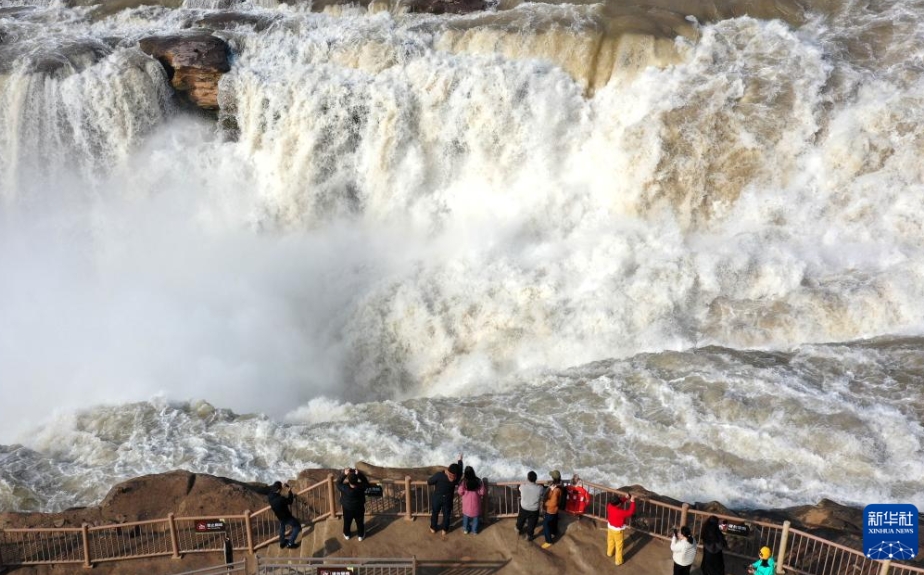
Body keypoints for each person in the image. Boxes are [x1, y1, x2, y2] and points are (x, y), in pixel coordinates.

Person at [428, 453, 463, 536]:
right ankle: (444, 530)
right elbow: (460, 470)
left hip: (437, 498)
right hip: (448, 499)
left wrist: (443, 472)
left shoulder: (439, 475)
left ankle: (433, 528)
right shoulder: (456, 479)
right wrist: (460, 460)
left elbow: (429, 482)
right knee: (447, 515)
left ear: (448, 469)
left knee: (435, 513)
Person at [337, 467, 370, 541]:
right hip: (359, 508)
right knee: (360, 522)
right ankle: (360, 536)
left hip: (347, 509)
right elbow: (366, 483)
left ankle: (347, 534)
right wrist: (359, 474)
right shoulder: (361, 487)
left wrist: (344, 474)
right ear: (357, 479)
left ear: (348, 480)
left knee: (347, 522)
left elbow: (338, 483)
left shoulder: (344, 487)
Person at [267, 481, 301, 548]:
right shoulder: (280, 499)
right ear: (279, 490)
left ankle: (282, 542)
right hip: (287, 517)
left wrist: (282, 485)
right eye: (281, 488)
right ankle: (290, 543)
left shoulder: (270, 496)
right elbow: (290, 501)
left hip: (279, 516)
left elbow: (277, 489)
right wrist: (289, 491)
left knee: (282, 527)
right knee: (297, 527)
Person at [605, 493, 636, 565]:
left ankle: (609, 552)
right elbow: (630, 512)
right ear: (618, 504)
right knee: (619, 545)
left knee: (610, 540)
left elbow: (619, 502)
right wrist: (632, 501)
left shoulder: (609, 506)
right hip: (618, 531)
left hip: (610, 527)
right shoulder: (620, 512)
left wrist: (625, 498)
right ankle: (618, 561)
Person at [457, 465, 487, 534]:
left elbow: (460, 492)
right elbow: (482, 492)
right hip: (476, 504)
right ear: (473, 472)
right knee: (476, 518)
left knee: (466, 518)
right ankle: (474, 531)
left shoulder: (464, 482)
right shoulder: (479, 481)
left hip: (466, 505)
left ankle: (466, 529)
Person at [540, 470, 565, 549]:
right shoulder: (560, 485)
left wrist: (544, 503)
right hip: (556, 509)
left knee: (546, 524)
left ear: (553, 478)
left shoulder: (556, 489)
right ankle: (554, 531)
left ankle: (549, 541)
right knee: (554, 520)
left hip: (550, 509)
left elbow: (553, 502)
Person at [515, 471, 543, 540]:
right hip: (534, 509)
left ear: (527, 478)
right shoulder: (540, 488)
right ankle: (529, 536)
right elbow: (541, 493)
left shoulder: (522, 486)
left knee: (520, 520)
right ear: (535, 479)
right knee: (532, 523)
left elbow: (520, 489)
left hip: (524, 507)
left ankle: (518, 529)